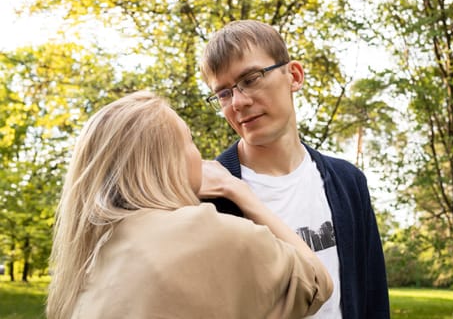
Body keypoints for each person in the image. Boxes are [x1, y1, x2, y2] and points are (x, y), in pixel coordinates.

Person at [46, 91, 333, 319]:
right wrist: (241, 193)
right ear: (168, 161)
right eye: (190, 141)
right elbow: (316, 282)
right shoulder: (205, 230)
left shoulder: (94, 252)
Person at [200, 20, 390, 318]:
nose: (237, 102)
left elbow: (373, 297)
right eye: (223, 93)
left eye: (250, 79)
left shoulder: (348, 182)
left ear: (294, 76)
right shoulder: (209, 197)